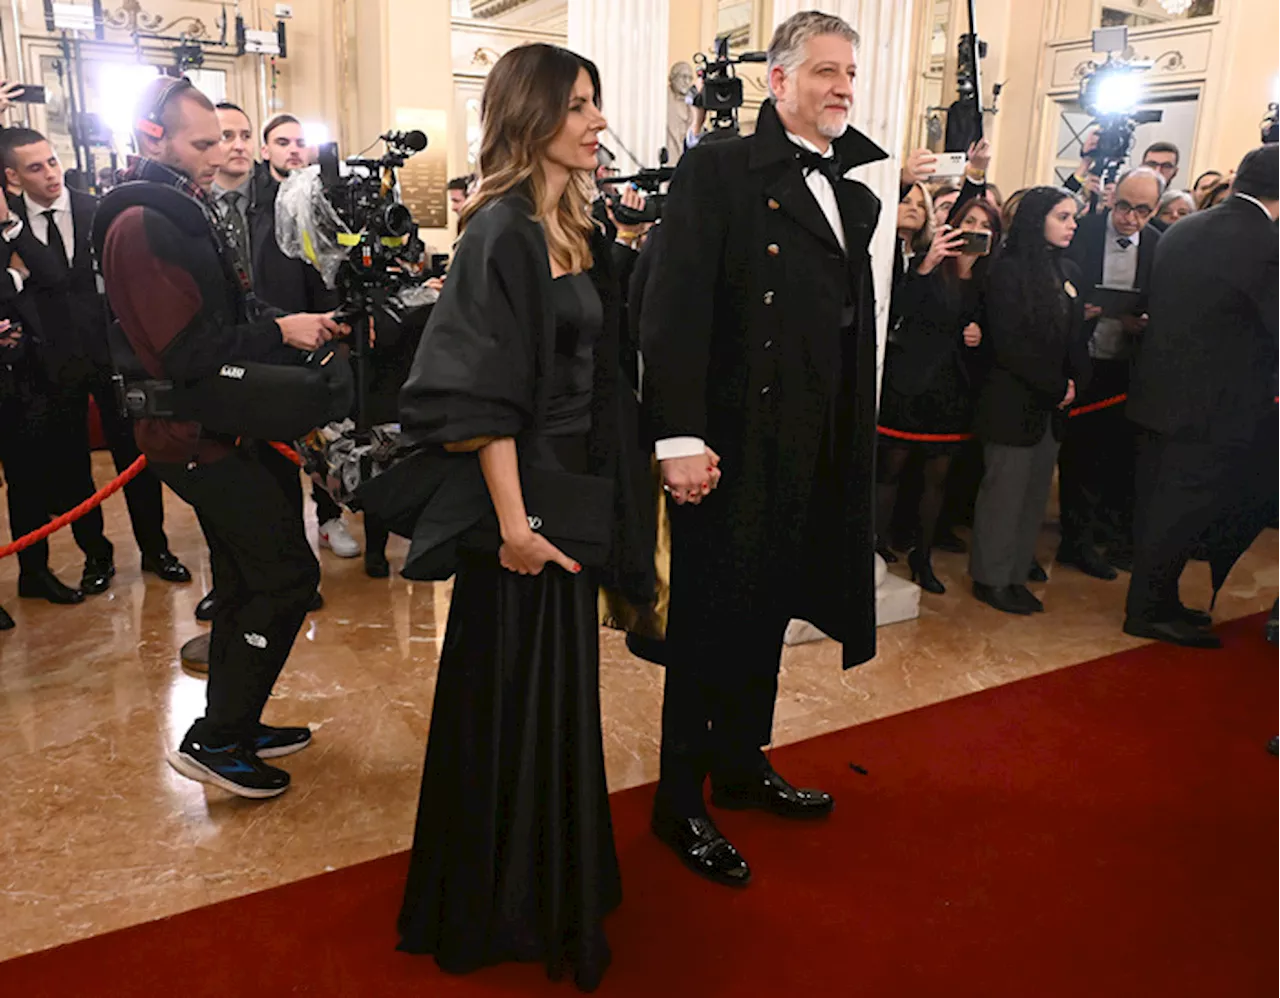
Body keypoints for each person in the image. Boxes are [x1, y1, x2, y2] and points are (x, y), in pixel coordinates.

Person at [394, 44, 652, 991]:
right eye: (579, 104)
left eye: (595, 103)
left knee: (557, 696)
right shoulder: (499, 231)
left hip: (573, 492)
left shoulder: (573, 226)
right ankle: (504, 900)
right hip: (526, 503)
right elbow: (481, 395)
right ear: (533, 114)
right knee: (513, 694)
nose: (596, 120)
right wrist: (512, 523)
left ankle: (548, 881)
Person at [640, 10, 884, 886]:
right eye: (823, 71)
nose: (842, 87)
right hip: (731, 447)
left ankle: (741, 767)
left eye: (849, 72)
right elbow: (672, 309)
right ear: (778, 81)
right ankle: (679, 803)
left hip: (812, 445)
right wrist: (678, 436)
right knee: (709, 628)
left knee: (769, 616)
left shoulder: (851, 187)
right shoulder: (717, 170)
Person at [95, 76, 343, 797]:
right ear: (152, 137)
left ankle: (235, 718)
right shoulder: (142, 222)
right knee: (283, 578)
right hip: (194, 435)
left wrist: (293, 325)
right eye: (204, 143)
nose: (220, 154)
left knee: (246, 579)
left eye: (229, 138)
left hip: (226, 428)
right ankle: (216, 738)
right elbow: (185, 354)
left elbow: (223, 306)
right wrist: (277, 330)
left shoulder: (184, 207)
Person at [1, 128, 191, 597]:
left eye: (51, 162)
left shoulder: (96, 210)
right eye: (35, 168)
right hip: (47, 368)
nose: (50, 174)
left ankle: (156, 550)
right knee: (73, 471)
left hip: (114, 358)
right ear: (12, 177)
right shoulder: (10, 224)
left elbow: (92, 282)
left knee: (136, 460)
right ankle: (96, 557)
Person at [1124, 144, 1280, 649]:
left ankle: (1158, 601)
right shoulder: (1265, 241)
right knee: (1182, 514)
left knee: (1159, 507)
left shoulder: (1187, 227)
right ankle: (1148, 612)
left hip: (1159, 391)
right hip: (1216, 405)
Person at [969, 187, 1090, 615]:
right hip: (1012, 399)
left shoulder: (1067, 269)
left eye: (1073, 217)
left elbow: (1075, 337)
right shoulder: (1006, 269)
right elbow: (1010, 343)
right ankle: (990, 577)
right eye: (1062, 216)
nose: (1072, 224)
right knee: (1004, 494)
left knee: (1034, 494)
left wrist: (1075, 380)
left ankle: (1015, 573)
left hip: (1052, 405)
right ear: (1037, 218)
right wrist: (1056, 386)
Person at [878, 198, 1000, 593]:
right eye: (970, 220)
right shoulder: (930, 264)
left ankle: (923, 557)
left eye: (985, 224)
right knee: (891, 470)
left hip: (955, 389)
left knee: (938, 478)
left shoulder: (991, 279)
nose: (976, 229)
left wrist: (981, 335)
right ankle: (875, 550)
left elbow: (1002, 331)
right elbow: (898, 310)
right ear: (954, 223)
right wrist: (927, 265)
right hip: (911, 383)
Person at [254, 112, 356, 559]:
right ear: (267, 150)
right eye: (282, 142)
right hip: (270, 336)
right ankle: (287, 538)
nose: (293, 149)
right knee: (275, 448)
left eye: (300, 141)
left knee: (327, 435)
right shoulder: (255, 204)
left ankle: (331, 519)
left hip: (321, 330)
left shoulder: (321, 201)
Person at [1057, 167, 1164, 580]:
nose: (1130, 218)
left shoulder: (1158, 244)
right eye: (1123, 206)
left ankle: (1107, 531)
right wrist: (1078, 310)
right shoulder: (1081, 232)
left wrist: (1142, 321)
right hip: (1082, 357)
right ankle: (1075, 540)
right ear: (1111, 198)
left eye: (1142, 210)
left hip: (1128, 366)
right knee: (1079, 455)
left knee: (1118, 455)